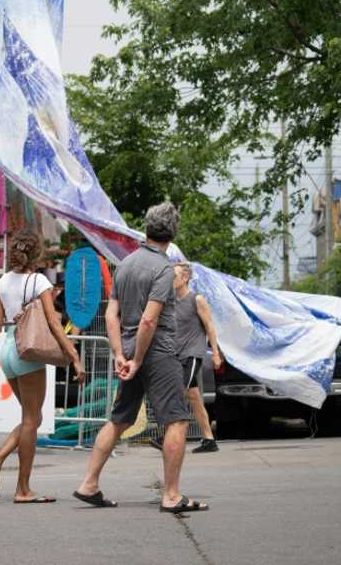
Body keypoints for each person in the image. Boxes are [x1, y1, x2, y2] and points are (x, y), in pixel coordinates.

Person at [74, 202, 209, 513]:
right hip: (158, 353)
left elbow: (111, 315)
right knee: (176, 420)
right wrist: (136, 360)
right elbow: (150, 320)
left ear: (146, 228)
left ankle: (89, 483)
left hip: (131, 349)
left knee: (119, 419)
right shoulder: (163, 269)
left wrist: (121, 354)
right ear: (172, 233)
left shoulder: (124, 265)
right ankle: (171, 495)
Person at [0, 229, 85, 503]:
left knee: (30, 419)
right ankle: (20, 487)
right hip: (29, 352)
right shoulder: (39, 282)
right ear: (35, 254)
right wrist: (73, 355)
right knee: (31, 420)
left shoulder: (1, 283)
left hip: (8, 352)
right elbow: (53, 323)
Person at [151, 261, 223, 453]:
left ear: (185, 278)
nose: (170, 280)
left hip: (192, 353)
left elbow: (210, 326)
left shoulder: (196, 299)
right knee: (193, 396)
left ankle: (165, 435)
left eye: (173, 277)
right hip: (176, 353)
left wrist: (215, 353)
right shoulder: (170, 301)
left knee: (177, 391)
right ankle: (209, 439)